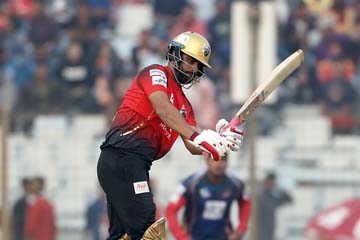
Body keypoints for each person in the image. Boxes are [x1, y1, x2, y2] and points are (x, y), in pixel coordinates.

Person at [96, 31, 244, 240]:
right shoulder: (156, 73)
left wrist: (220, 140)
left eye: (198, 65)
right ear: (175, 53)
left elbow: (194, 146)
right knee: (149, 231)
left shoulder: (185, 105)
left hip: (135, 166)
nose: (193, 68)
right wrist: (197, 136)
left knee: (123, 236)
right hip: (121, 158)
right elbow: (163, 109)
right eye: (190, 60)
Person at [165, 156, 251, 240]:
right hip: (194, 237)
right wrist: (181, 237)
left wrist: (241, 229)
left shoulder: (236, 184)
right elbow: (171, 210)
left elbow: (245, 202)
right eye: (214, 159)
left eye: (222, 160)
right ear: (207, 160)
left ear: (227, 161)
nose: (218, 164)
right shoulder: (191, 183)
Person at [257, 172, 293, 240]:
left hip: (270, 229)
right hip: (259, 229)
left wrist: (280, 189)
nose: (271, 184)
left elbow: (289, 199)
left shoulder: (273, 196)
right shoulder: (259, 194)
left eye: (272, 182)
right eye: (269, 182)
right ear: (265, 182)